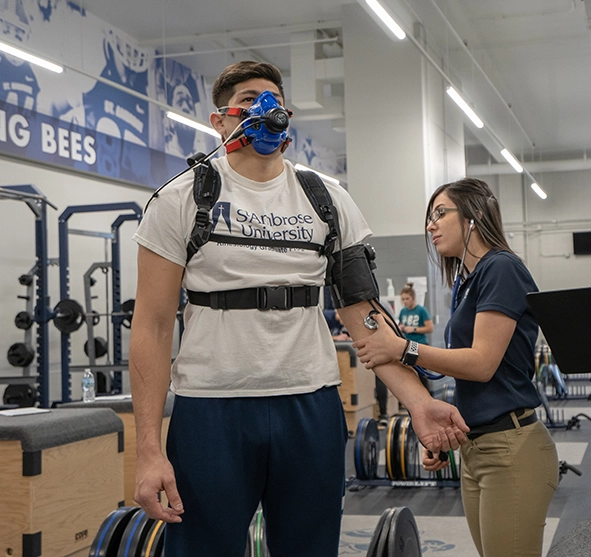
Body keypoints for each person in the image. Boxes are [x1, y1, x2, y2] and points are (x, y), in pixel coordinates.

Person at [129, 60, 467, 556]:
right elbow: (153, 327)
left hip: (309, 405)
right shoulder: (180, 199)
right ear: (218, 120)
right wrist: (148, 451)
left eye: (273, 98)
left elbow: (366, 320)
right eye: (247, 100)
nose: (264, 108)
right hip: (212, 411)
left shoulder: (327, 199)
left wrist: (418, 402)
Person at [354, 178, 558, 557]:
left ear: (474, 217)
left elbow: (481, 365)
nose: (430, 225)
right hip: (474, 447)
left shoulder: (501, 267)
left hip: (511, 449)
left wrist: (403, 348)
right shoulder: (467, 280)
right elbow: (468, 375)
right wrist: (443, 429)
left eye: (440, 213)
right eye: (429, 217)